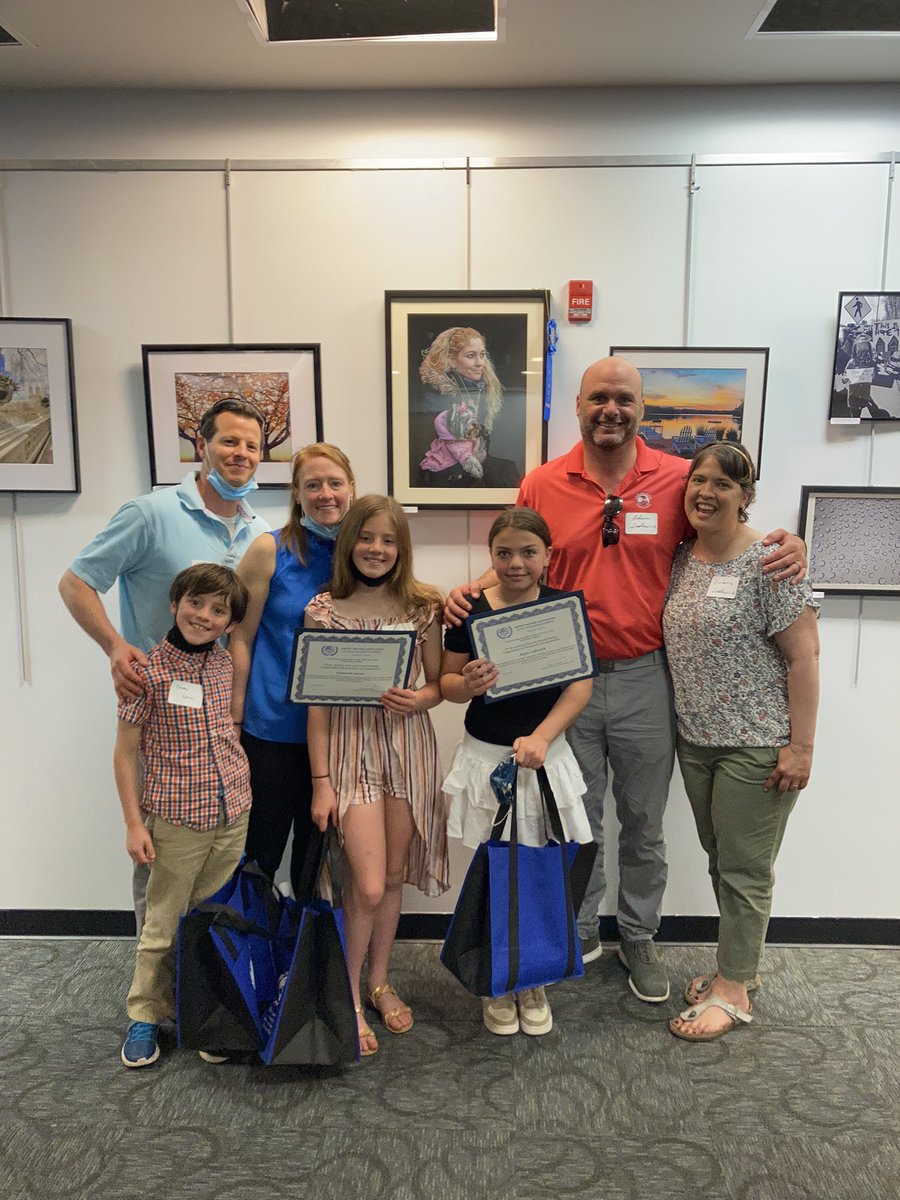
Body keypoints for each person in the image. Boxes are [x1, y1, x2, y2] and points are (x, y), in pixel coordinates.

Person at [446, 356, 807, 1005]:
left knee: (643, 820)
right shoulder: (543, 483)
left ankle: (638, 936)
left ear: (641, 409)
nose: (611, 410)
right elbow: (513, 563)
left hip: (647, 673)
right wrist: (462, 596)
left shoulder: (675, 480)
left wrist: (796, 547)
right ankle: (579, 931)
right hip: (561, 682)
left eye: (624, 400)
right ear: (580, 406)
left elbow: (733, 534)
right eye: (598, 399)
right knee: (574, 818)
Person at [59, 397, 266, 930]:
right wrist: (113, 645)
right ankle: (153, 991)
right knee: (159, 863)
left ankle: (201, 987)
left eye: (250, 445)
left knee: (214, 871)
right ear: (201, 445)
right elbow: (76, 582)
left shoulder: (257, 529)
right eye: (228, 441)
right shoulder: (150, 513)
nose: (239, 453)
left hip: (218, 717)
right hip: (157, 714)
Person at [663, 443, 819, 1041]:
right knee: (722, 863)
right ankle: (736, 968)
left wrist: (801, 748)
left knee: (746, 871)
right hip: (696, 742)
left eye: (723, 484)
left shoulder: (769, 562)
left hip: (756, 745)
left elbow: (805, 658)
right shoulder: (682, 558)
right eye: (698, 480)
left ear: (746, 495)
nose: (706, 491)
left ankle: (734, 990)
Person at [440, 508, 592, 1037]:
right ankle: (499, 980)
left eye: (528, 551)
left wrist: (544, 737)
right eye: (503, 552)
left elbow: (579, 686)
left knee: (542, 867)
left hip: (546, 757)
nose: (516, 562)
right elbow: (446, 682)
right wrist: (470, 683)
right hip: (488, 758)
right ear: (491, 557)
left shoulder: (564, 609)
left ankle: (534, 978)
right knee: (495, 868)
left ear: (548, 556)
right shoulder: (466, 612)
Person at [305, 495, 448, 1057]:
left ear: (401, 548)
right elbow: (315, 706)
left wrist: (421, 699)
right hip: (349, 754)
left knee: (391, 877)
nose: (376, 549)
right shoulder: (323, 610)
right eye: (366, 538)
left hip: (408, 749)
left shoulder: (423, 608)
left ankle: (380, 979)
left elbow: (439, 683)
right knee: (362, 884)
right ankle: (348, 993)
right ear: (349, 543)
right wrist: (320, 781)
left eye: (388, 540)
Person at [115, 564, 252, 1068]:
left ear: (230, 624)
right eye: (196, 603)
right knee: (163, 923)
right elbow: (125, 752)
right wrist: (134, 823)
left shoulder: (222, 666)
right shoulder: (145, 671)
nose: (205, 615)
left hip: (232, 808)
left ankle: (199, 1012)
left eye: (219, 611)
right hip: (176, 818)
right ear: (175, 604)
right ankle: (145, 1015)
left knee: (210, 919)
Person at [229, 443, 356, 898]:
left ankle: (305, 960)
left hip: (341, 732)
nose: (326, 494)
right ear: (297, 495)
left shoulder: (364, 555)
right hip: (272, 730)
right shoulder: (269, 549)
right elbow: (240, 636)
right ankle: (253, 955)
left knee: (317, 854)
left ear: (351, 489)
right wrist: (236, 714)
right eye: (313, 485)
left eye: (335, 483)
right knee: (260, 849)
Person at [414, 326, 520, 488]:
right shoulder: (436, 396)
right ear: (451, 360)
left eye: (482, 355)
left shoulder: (485, 391)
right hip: (445, 479)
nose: (480, 363)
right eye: (471, 356)